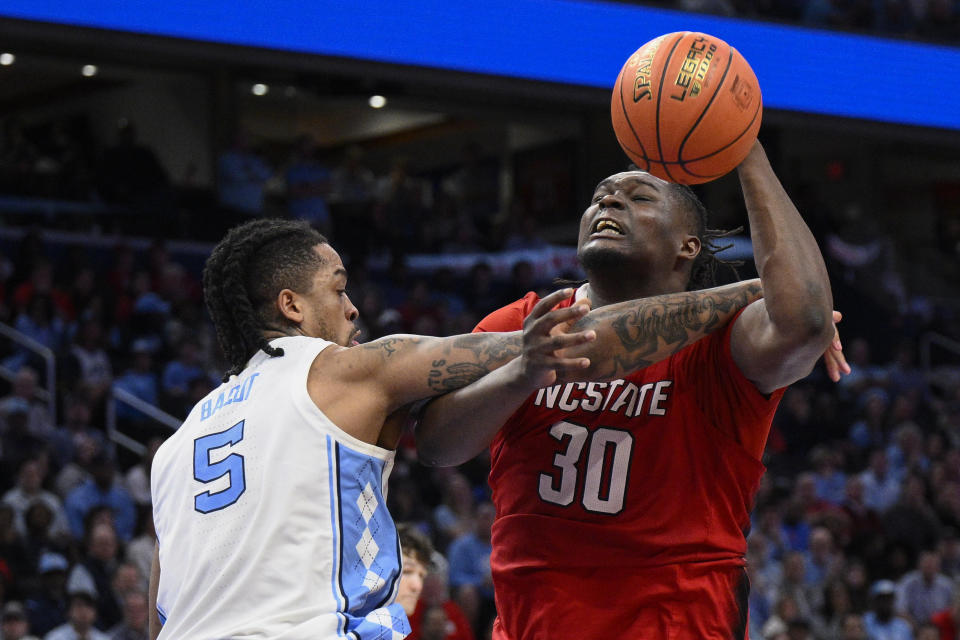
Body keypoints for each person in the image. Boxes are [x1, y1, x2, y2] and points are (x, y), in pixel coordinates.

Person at [147, 218, 762, 639]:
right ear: (291, 306)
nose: (353, 307)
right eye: (338, 290)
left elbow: (159, 612)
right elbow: (577, 346)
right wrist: (758, 294)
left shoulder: (175, 450)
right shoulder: (348, 372)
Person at [415, 141, 847, 639]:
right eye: (601, 195)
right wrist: (521, 374)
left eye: (639, 197)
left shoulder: (723, 341)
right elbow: (435, 446)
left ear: (688, 245)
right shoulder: (523, 322)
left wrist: (743, 149)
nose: (609, 201)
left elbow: (807, 320)